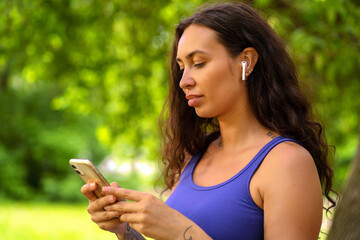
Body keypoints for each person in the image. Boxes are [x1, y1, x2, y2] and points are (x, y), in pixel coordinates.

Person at [81, 2, 336, 239]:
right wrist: (124, 229)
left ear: (245, 62)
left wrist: (182, 231)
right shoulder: (194, 156)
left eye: (199, 63)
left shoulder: (287, 163)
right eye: (182, 67)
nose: (184, 81)